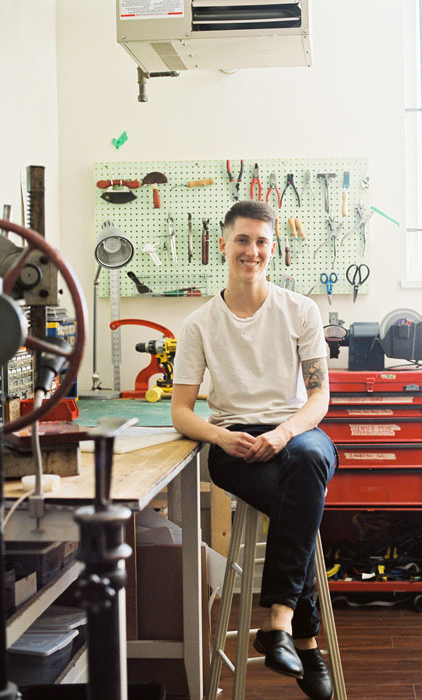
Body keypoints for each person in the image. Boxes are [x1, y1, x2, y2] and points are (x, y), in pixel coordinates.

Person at [171, 200, 337, 700]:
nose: (252, 251)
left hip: (295, 433)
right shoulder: (200, 323)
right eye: (243, 240)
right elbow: (181, 411)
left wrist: (283, 433)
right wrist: (222, 436)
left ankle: (281, 621)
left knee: (307, 463)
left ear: (273, 248)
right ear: (223, 244)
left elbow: (319, 397)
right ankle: (303, 643)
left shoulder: (301, 310)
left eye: (262, 242)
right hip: (233, 441)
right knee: (299, 509)